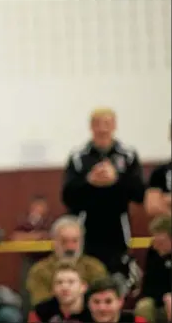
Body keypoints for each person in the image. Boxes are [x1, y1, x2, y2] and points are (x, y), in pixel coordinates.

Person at [61, 108, 145, 274]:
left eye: (107, 124)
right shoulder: (78, 157)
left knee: (117, 280)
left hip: (118, 231)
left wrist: (116, 179)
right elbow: (67, 196)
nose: (102, 129)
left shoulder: (128, 155)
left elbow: (139, 194)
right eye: (97, 124)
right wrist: (89, 181)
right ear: (91, 127)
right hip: (87, 231)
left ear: (114, 125)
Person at [26, 215, 108, 305]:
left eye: (75, 241)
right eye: (64, 241)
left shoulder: (95, 268)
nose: (70, 247)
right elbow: (41, 303)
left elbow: (102, 301)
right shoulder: (39, 271)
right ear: (54, 242)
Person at [134, 215, 172, 322]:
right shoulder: (153, 253)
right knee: (143, 307)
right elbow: (148, 286)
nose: (155, 245)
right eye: (154, 239)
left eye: (161, 242)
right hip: (159, 301)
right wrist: (164, 297)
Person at [144, 124, 171, 217]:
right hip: (167, 222)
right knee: (159, 225)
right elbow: (152, 206)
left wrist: (166, 199)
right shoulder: (160, 172)